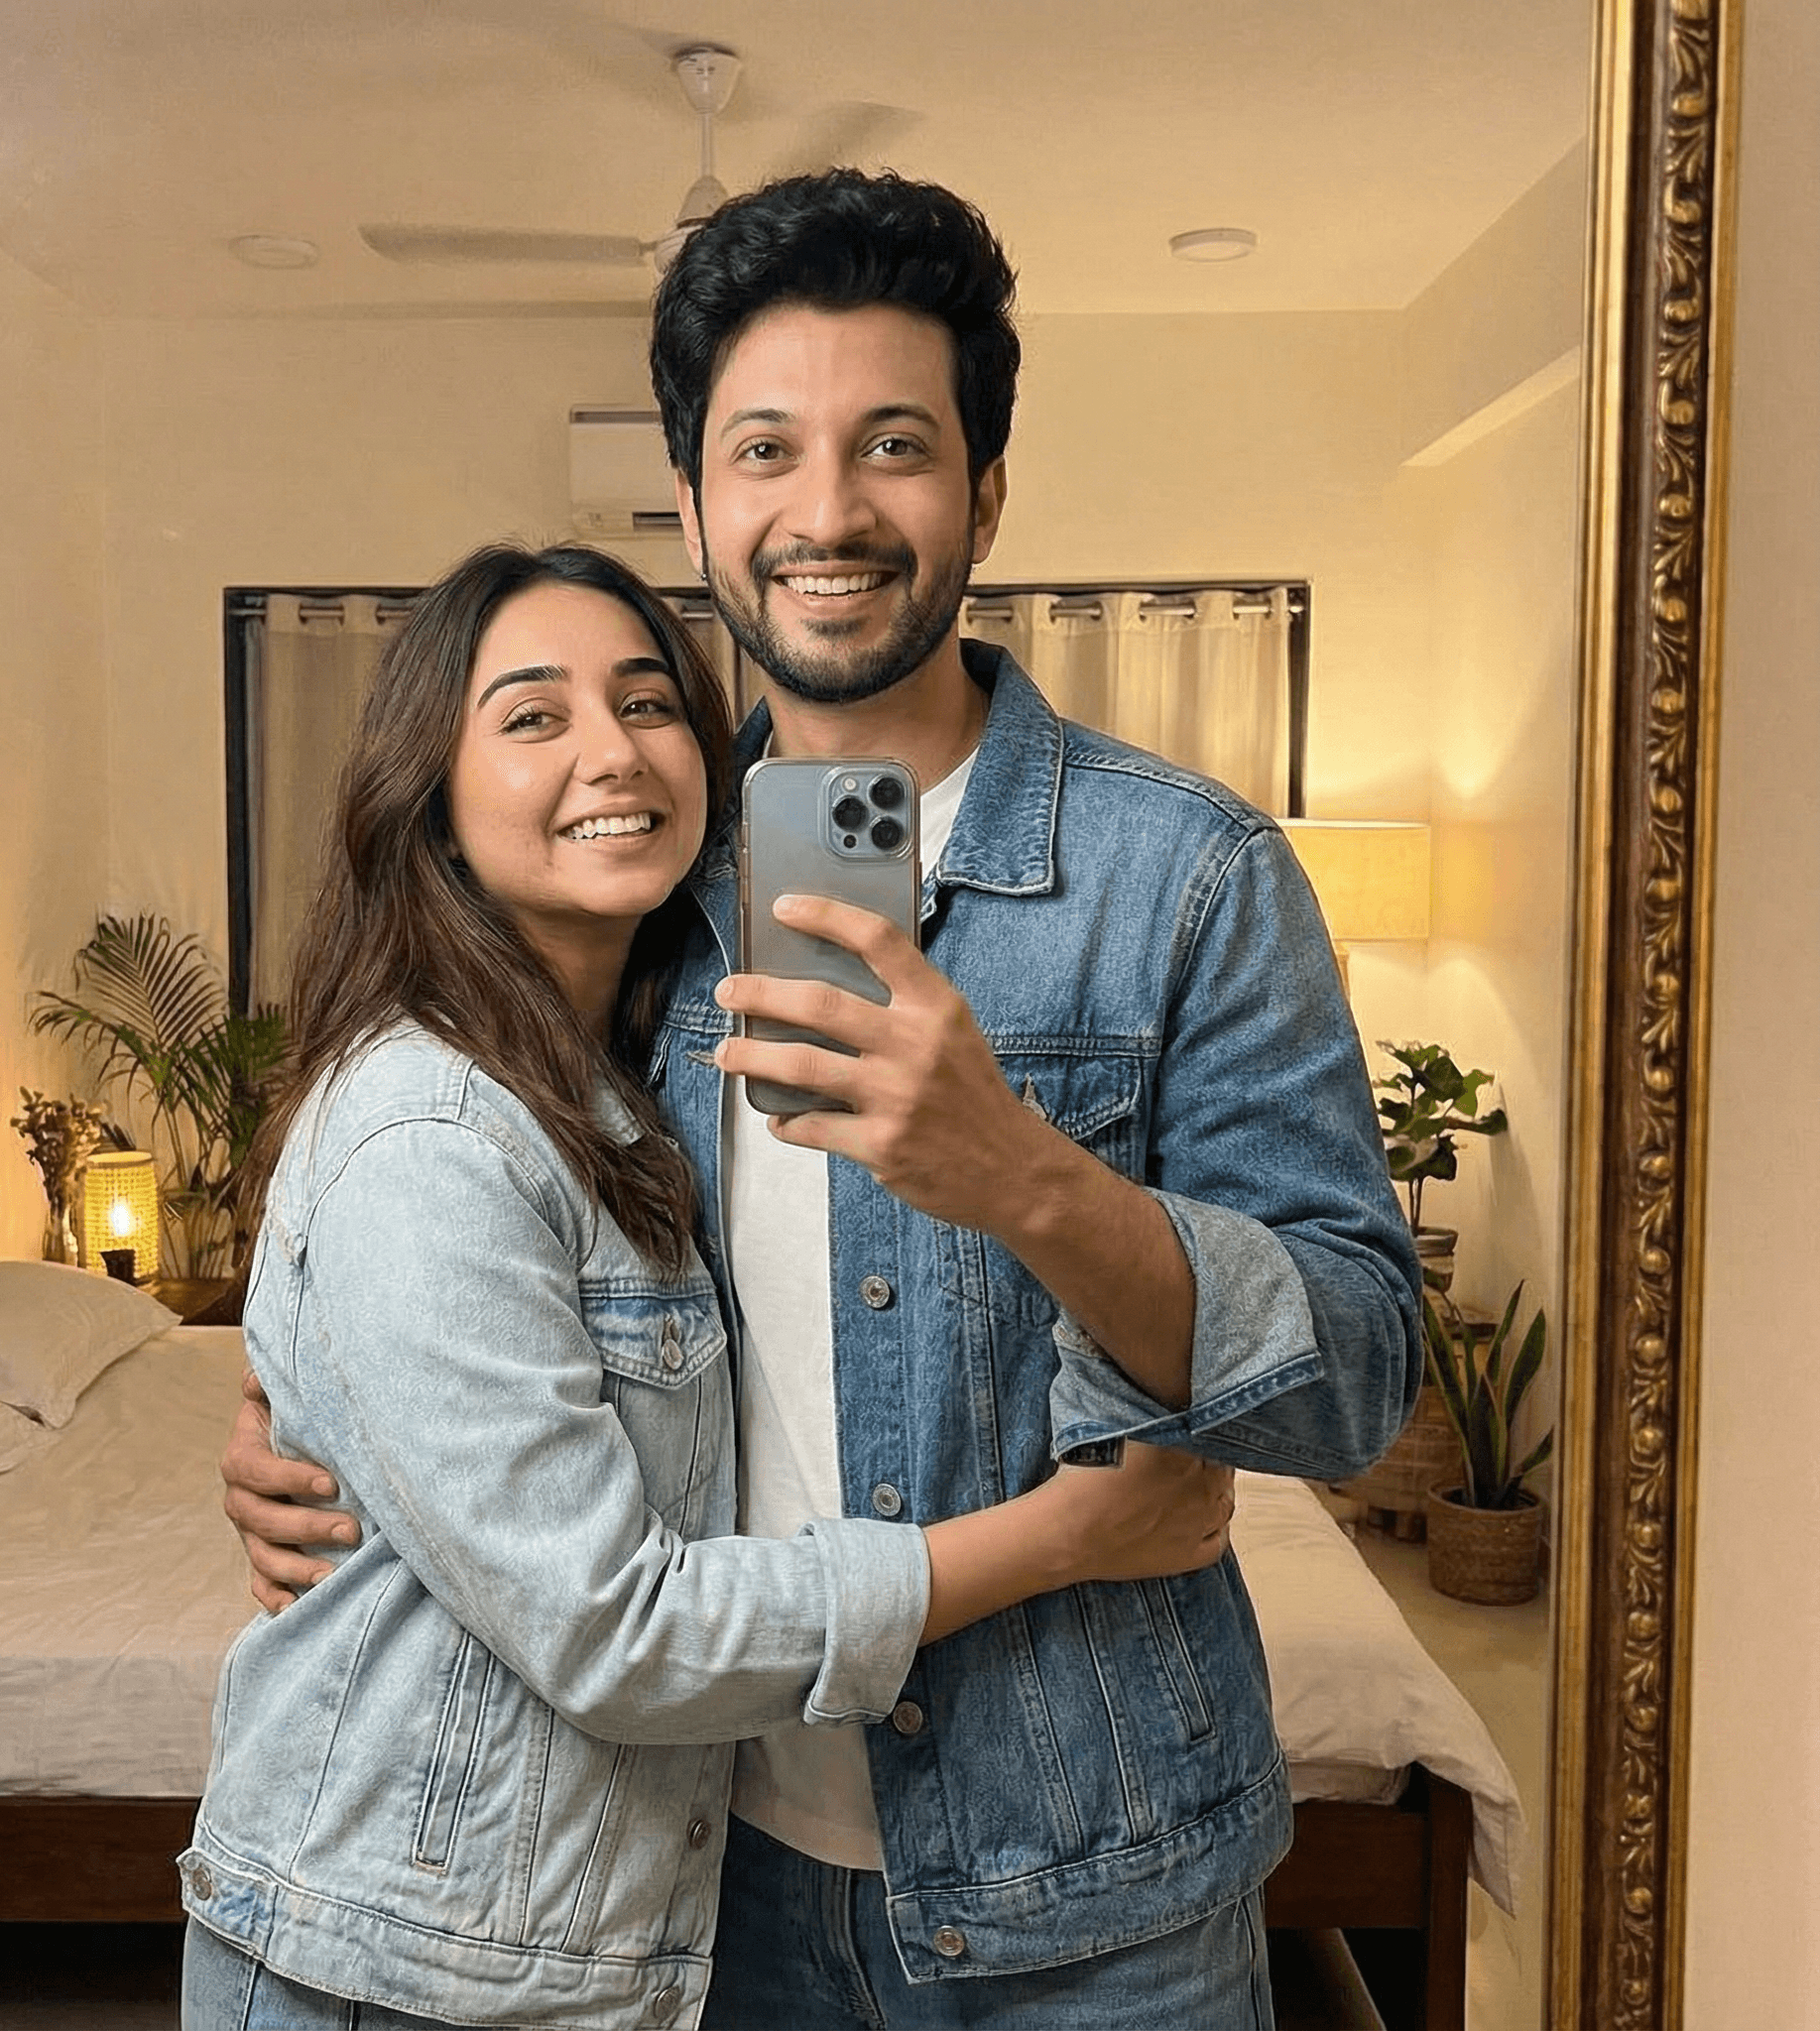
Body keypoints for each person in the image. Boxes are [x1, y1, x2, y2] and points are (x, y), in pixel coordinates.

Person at [224, 173, 1420, 2029]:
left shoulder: (1182, 876)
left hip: (1094, 1887)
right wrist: (315, 1428)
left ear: (985, 491)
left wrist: (1029, 1176)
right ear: (695, 500)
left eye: (896, 446)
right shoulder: (643, 896)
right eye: (766, 449)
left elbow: (1357, 1374)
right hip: (723, 1889)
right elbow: (492, 1274)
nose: (830, 512)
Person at [179, 539, 1241, 2031]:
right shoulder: (427, 1122)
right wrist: (1075, 1531)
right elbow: (617, 1625)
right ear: (430, 795)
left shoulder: (650, 1055)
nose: (610, 752)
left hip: (593, 1942)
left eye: (647, 703)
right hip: (400, 1961)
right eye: (532, 717)